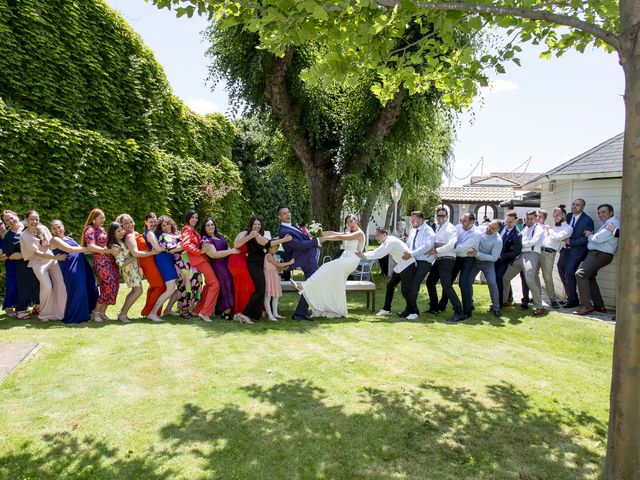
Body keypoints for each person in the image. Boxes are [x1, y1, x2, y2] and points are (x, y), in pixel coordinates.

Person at [291, 213, 365, 318]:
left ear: (357, 221)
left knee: (325, 267)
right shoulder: (349, 231)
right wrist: (317, 233)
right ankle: (333, 308)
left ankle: (303, 286)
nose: (350, 224)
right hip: (345, 258)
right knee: (334, 283)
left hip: (351, 260)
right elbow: (333, 232)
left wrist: (324, 239)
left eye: (352, 221)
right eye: (348, 222)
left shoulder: (359, 233)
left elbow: (340, 237)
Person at [236, 216, 291, 322]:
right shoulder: (252, 234)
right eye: (255, 224)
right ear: (251, 225)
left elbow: (269, 243)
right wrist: (284, 239)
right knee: (260, 290)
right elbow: (267, 244)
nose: (257, 226)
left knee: (262, 290)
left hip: (261, 264)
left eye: (259, 224)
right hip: (254, 264)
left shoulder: (260, 235)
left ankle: (255, 315)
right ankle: (245, 314)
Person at [20, 210, 68, 321]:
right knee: (47, 287)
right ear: (26, 220)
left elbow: (52, 243)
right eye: (32, 219)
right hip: (38, 263)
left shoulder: (44, 228)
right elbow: (36, 253)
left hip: (52, 261)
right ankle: (45, 314)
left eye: (36, 219)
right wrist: (55, 258)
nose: (34, 221)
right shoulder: (24, 236)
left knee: (61, 285)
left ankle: (60, 313)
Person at [277, 205, 323, 320]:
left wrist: (311, 236)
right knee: (313, 284)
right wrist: (316, 241)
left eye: (288, 212)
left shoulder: (292, 226)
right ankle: (299, 313)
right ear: (279, 217)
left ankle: (301, 312)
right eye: (284, 213)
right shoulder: (284, 231)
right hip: (303, 259)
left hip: (308, 257)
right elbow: (299, 245)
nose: (288, 214)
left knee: (312, 284)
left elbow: (303, 239)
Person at [358, 227, 416, 318]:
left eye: (378, 235)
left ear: (384, 235)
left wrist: (364, 256)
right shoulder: (386, 241)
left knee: (405, 290)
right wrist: (364, 255)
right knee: (390, 285)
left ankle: (414, 312)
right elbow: (377, 251)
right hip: (401, 265)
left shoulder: (390, 241)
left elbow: (381, 254)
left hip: (408, 265)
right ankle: (386, 309)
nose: (376, 237)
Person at [574, 204, 620, 315]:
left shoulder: (612, 224)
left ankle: (586, 306)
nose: (601, 214)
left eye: (604, 212)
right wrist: (593, 238)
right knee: (590, 277)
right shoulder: (607, 224)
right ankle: (599, 306)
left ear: (611, 213)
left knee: (580, 274)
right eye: (599, 213)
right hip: (597, 254)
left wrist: (590, 235)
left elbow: (598, 239)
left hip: (599, 254)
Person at [50, 220, 98, 324]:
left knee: (91, 287)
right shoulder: (55, 240)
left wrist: (95, 249)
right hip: (71, 267)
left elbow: (81, 250)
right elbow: (70, 249)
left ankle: (88, 313)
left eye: (59, 227)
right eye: (54, 228)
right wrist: (89, 248)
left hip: (82, 265)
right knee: (77, 290)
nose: (57, 230)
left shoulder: (69, 238)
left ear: (63, 226)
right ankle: (74, 317)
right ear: (51, 231)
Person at [116, 214, 159, 323]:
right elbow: (135, 253)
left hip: (134, 266)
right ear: (121, 225)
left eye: (131, 221)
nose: (129, 224)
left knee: (136, 290)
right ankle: (123, 314)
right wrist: (151, 253)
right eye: (126, 223)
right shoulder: (129, 236)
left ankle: (122, 312)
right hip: (130, 267)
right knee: (137, 291)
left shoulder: (132, 234)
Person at [502, 210, 546, 316]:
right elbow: (518, 240)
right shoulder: (525, 229)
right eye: (527, 218)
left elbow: (533, 242)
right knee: (506, 277)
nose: (529, 221)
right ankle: (504, 301)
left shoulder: (539, 228)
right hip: (521, 256)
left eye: (531, 219)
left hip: (532, 255)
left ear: (536, 218)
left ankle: (539, 306)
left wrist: (519, 244)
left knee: (530, 280)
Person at [425, 208, 464, 323]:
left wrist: (437, 250)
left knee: (446, 286)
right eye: (439, 216)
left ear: (447, 216)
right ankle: (434, 308)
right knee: (430, 281)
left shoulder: (450, 228)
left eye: (443, 216)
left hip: (447, 259)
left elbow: (452, 244)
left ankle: (459, 312)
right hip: (439, 259)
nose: (440, 218)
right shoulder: (439, 228)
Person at [181, 210, 220, 322]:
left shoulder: (193, 230)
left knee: (209, 285)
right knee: (215, 284)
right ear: (188, 218)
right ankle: (205, 313)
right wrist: (200, 252)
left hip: (201, 259)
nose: (195, 219)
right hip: (198, 259)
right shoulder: (187, 229)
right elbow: (186, 245)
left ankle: (197, 310)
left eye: (196, 218)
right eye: (192, 217)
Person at [2, 210, 40, 319]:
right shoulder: (9, 237)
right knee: (25, 287)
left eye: (11, 217)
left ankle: (37, 307)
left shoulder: (28, 226)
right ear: (5, 223)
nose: (10, 221)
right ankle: (20, 310)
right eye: (7, 220)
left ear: (16, 216)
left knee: (39, 284)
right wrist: (29, 254)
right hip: (23, 265)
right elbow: (11, 255)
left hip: (38, 262)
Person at [557, 198, 594, 308]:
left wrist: (571, 242)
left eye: (577, 205)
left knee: (569, 273)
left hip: (577, 251)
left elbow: (585, 239)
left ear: (583, 207)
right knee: (560, 268)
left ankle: (572, 300)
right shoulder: (567, 216)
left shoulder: (587, 220)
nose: (574, 206)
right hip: (565, 249)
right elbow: (560, 227)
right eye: (573, 204)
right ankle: (570, 296)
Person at [82, 209, 118, 322]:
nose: (103, 220)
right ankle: (95, 313)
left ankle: (102, 313)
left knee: (114, 286)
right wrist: (109, 251)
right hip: (101, 262)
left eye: (104, 217)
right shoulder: (90, 229)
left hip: (110, 261)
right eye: (101, 218)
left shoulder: (101, 229)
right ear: (93, 218)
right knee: (107, 287)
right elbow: (91, 247)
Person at [200, 218, 239, 320]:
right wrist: (231, 251)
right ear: (204, 228)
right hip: (218, 266)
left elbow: (226, 248)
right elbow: (214, 255)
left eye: (212, 224)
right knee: (225, 286)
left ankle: (226, 309)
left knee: (230, 285)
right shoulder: (205, 240)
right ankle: (226, 311)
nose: (211, 227)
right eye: (208, 225)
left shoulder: (220, 235)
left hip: (227, 264)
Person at [400, 211, 436, 319]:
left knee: (414, 285)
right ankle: (409, 309)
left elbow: (427, 247)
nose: (411, 222)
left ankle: (414, 313)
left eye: (413, 219)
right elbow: (409, 245)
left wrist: (411, 253)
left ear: (421, 219)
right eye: (411, 220)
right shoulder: (413, 230)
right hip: (413, 260)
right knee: (407, 286)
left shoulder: (428, 231)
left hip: (424, 261)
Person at [149, 216, 182, 320]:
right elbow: (170, 249)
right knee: (171, 288)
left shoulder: (173, 234)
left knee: (180, 287)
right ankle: (153, 313)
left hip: (171, 261)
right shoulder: (163, 236)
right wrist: (184, 245)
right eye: (163, 225)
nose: (166, 226)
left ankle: (167, 310)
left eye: (168, 224)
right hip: (163, 261)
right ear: (161, 228)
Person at [539, 206, 572, 308]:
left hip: (549, 253)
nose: (555, 217)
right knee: (534, 275)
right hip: (538, 251)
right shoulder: (553, 227)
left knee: (547, 277)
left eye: (557, 215)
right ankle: (536, 296)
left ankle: (552, 300)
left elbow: (557, 237)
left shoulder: (568, 228)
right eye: (554, 216)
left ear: (564, 215)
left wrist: (549, 230)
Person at [469, 219, 503, 317]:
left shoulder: (498, 240)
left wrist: (477, 254)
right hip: (475, 261)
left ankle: (496, 307)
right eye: (489, 226)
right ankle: (469, 303)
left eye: (492, 229)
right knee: (468, 280)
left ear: (497, 230)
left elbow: (494, 257)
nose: (489, 229)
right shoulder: (481, 229)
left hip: (488, 263)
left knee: (492, 282)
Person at [451, 213, 481, 319]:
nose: (461, 223)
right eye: (461, 220)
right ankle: (442, 305)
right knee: (448, 282)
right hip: (456, 258)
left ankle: (467, 311)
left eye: (464, 221)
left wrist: (449, 247)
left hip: (468, 259)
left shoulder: (477, 233)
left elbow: (465, 247)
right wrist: (450, 245)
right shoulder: (458, 227)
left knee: (463, 283)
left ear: (472, 222)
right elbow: (452, 238)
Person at [138, 212, 167, 318]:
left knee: (154, 287)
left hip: (154, 261)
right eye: (151, 222)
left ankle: (150, 312)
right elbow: (156, 248)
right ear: (146, 222)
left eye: (155, 221)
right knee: (160, 286)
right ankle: (149, 311)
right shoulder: (149, 233)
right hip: (150, 262)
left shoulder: (154, 232)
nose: (153, 223)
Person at [495, 211, 522, 307]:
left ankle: (499, 302)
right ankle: (509, 296)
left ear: (516, 221)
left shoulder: (517, 235)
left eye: (510, 222)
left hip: (505, 260)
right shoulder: (501, 226)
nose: (508, 223)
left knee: (499, 278)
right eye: (507, 221)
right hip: (494, 258)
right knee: (497, 279)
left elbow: (516, 252)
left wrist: (502, 255)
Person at [264, 243, 295, 321]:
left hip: (274, 276)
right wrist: (289, 262)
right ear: (269, 248)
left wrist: (286, 269)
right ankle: (270, 315)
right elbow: (277, 264)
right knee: (268, 296)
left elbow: (276, 268)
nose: (276, 251)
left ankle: (275, 313)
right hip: (269, 277)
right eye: (275, 249)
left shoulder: (273, 256)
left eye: (277, 249)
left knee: (275, 296)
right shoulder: (268, 256)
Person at [0, 217, 18, 316]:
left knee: (21, 284)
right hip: (10, 264)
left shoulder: (13, 232)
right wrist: (9, 255)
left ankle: (19, 305)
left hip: (21, 262)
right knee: (11, 285)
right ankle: (8, 307)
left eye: (0, 223)